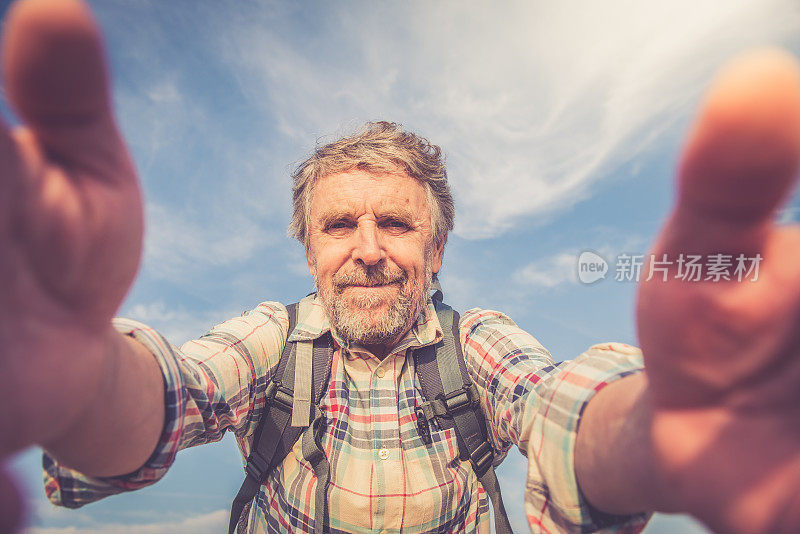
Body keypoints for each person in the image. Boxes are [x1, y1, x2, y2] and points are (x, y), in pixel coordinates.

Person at [2, 0, 800, 533]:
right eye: (340, 224)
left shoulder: (472, 344)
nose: (370, 249)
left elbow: (552, 403)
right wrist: (89, 376)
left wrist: (654, 429)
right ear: (309, 249)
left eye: (396, 223)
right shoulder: (275, 342)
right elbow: (178, 395)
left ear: (437, 250)